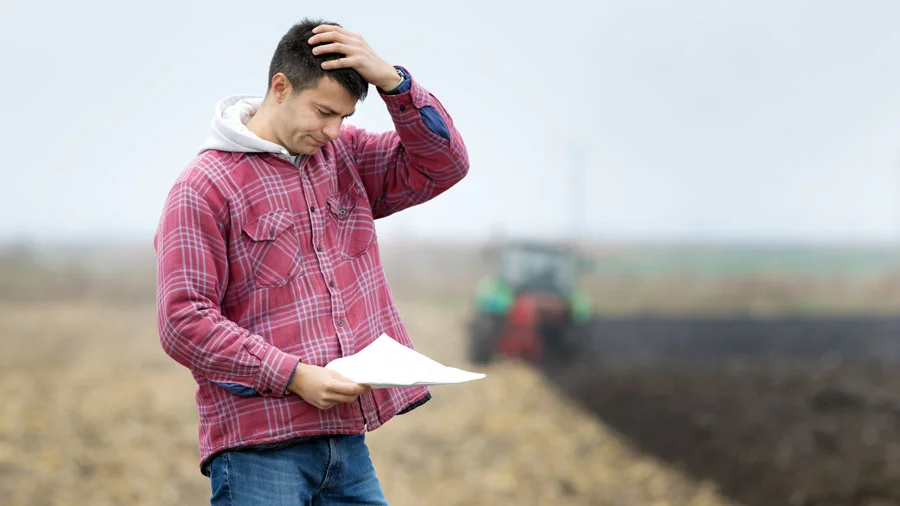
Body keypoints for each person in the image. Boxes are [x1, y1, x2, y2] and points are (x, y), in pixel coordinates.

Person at [153, 17, 468, 505]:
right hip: (258, 450)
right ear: (280, 87)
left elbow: (444, 164)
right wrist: (293, 375)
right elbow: (182, 320)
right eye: (323, 112)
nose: (333, 130)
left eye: (343, 116)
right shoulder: (203, 187)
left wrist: (394, 83)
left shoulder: (345, 157)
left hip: (347, 446)